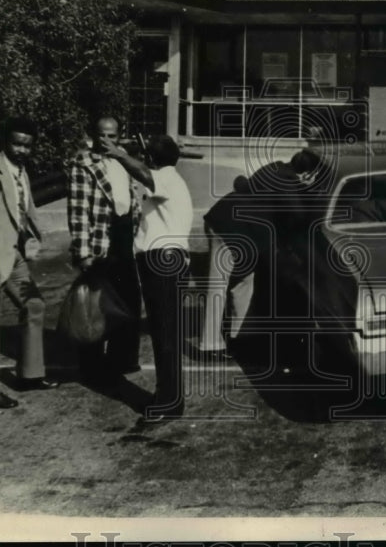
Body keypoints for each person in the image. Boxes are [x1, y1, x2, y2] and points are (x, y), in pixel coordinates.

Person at [0, 117, 58, 408]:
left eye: (27, 145)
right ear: (6, 142)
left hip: (14, 254)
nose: (21, 150)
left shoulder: (20, 171)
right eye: (16, 143)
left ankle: (29, 374)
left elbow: (26, 208)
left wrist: (36, 237)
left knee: (34, 305)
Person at [198, 148, 322, 356]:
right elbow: (299, 219)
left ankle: (239, 339)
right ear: (308, 174)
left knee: (244, 283)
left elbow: (246, 184)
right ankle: (209, 345)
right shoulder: (290, 188)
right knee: (218, 285)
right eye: (316, 175)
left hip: (233, 224)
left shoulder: (274, 168)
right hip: (227, 228)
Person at [104, 134, 192, 423]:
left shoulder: (163, 178)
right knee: (166, 332)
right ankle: (169, 397)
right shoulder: (171, 179)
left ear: (152, 160)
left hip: (163, 261)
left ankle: (169, 403)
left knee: (165, 333)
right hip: (168, 260)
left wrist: (118, 154)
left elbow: (142, 172)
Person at [66, 116, 143, 388]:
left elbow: (133, 199)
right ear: (94, 135)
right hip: (100, 239)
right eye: (102, 135)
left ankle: (123, 359)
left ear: (119, 136)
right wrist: (84, 251)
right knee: (95, 305)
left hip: (125, 238)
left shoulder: (124, 161)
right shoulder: (83, 163)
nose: (107, 140)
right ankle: (92, 365)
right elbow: (78, 211)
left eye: (112, 135)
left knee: (128, 300)